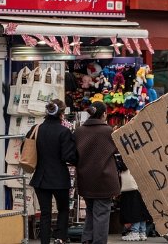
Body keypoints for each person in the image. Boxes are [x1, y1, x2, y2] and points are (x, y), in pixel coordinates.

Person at [29, 99, 77, 244]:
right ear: (61, 114)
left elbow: (27, 149)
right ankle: (60, 238)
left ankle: (44, 241)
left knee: (45, 213)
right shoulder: (64, 131)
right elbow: (68, 156)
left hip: (40, 177)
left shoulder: (36, 129)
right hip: (59, 178)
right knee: (63, 210)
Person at [74, 101, 118, 244]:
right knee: (102, 213)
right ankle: (98, 241)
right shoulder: (108, 131)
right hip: (104, 180)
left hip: (85, 178)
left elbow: (73, 154)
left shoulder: (79, 131)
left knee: (91, 211)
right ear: (103, 114)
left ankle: (87, 239)